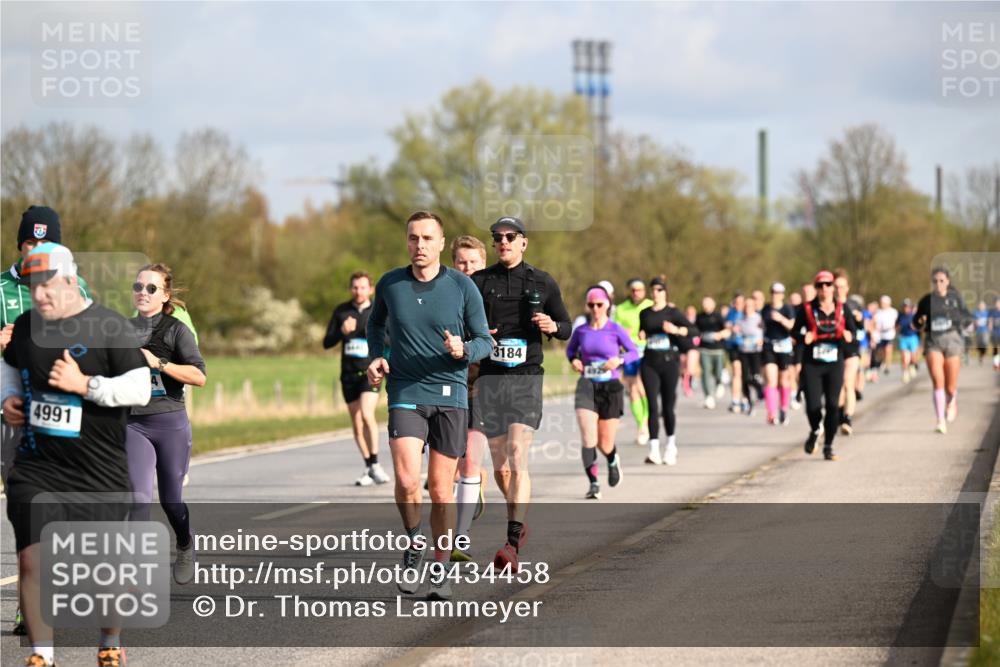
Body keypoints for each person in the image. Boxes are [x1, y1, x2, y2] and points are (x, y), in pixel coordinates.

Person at [1, 242, 151, 667]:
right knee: (32, 560)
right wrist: (8, 400)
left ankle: (109, 640)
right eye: (32, 288)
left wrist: (84, 385)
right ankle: (42, 656)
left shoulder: (109, 327)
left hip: (98, 470)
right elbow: (9, 367)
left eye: (46, 286)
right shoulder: (27, 326)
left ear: (69, 281)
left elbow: (139, 389)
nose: (39, 296)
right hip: (37, 466)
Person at [365, 211, 492, 601]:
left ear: (441, 243)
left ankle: (439, 565)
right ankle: (414, 541)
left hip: (451, 395)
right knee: (406, 481)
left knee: (440, 489)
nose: (419, 246)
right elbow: (375, 325)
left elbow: (484, 341)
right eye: (413, 238)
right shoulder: (391, 283)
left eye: (427, 239)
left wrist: (464, 349)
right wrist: (376, 356)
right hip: (405, 390)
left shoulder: (461, 286)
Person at [0, 206, 92, 639]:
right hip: (12, 410)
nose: (36, 250)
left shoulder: (76, 286)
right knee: (23, 508)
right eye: (29, 243)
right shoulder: (0, 288)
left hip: (62, 409)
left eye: (45, 243)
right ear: (19, 244)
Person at [470, 216, 571, 571]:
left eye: (510, 236)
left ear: (524, 242)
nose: (503, 242)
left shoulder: (542, 282)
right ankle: (519, 520)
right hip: (492, 379)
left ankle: (511, 543)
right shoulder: (479, 283)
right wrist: (479, 335)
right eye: (497, 238)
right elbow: (462, 324)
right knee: (500, 467)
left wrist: (552, 325)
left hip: (526, 377)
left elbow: (567, 326)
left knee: (517, 452)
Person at [126, 264, 206, 586]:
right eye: (137, 287)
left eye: (151, 288)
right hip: (133, 423)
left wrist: (158, 363)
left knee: (171, 501)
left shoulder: (176, 330)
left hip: (170, 422)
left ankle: (185, 543)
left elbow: (199, 377)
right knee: (138, 498)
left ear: (165, 295)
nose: (142, 293)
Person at [566, 285, 638, 498]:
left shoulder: (615, 329)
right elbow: (571, 351)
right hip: (587, 386)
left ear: (607, 305)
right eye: (591, 304)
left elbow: (633, 352)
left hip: (611, 388)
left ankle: (613, 459)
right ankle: (594, 483)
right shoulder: (581, 331)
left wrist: (619, 359)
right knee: (588, 437)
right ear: (587, 306)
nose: (595, 308)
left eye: (599, 304)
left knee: (604, 442)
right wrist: (575, 361)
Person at [323, 271, 390, 487]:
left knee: (366, 413)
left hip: (370, 373)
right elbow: (326, 342)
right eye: (355, 287)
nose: (358, 291)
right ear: (350, 289)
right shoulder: (342, 311)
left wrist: (368, 334)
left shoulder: (378, 311)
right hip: (348, 374)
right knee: (356, 421)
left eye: (362, 287)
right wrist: (342, 331)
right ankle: (369, 466)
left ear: (370, 289)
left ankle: (377, 463)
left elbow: (390, 337)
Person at [450, 235, 489, 561]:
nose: (468, 268)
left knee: (469, 461)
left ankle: (459, 539)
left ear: (483, 264)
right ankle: (470, 490)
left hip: (481, 387)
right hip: (445, 385)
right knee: (447, 463)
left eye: (473, 262)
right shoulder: (444, 295)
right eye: (462, 262)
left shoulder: (492, 299)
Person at [792, 270, 857, 460]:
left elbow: (854, 333)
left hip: (834, 362)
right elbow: (794, 333)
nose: (825, 289)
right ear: (816, 289)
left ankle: (828, 445)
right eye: (820, 285)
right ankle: (815, 429)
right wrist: (804, 336)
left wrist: (848, 336)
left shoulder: (843, 309)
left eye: (828, 285)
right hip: (812, 363)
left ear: (832, 287)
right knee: (813, 406)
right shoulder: (806, 309)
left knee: (832, 405)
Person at [637, 276, 696, 465]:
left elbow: (694, 331)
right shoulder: (645, 313)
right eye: (653, 289)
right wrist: (642, 334)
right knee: (652, 406)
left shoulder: (673, 312)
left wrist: (676, 330)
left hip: (669, 362)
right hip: (649, 362)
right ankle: (653, 449)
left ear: (665, 292)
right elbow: (643, 330)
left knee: (668, 406)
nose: (656, 293)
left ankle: (671, 445)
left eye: (660, 289)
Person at [913, 268, 973, 434]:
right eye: (935, 281)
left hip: (953, 340)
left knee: (950, 386)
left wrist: (963, 321)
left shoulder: (955, 298)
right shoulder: (926, 300)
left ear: (947, 281)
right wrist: (920, 321)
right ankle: (940, 420)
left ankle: (952, 400)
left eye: (941, 280)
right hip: (933, 341)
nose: (938, 284)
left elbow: (967, 316)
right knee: (938, 381)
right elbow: (915, 322)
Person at [612, 278, 653, 445]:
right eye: (633, 290)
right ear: (630, 291)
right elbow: (614, 331)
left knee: (644, 388)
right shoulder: (621, 309)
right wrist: (624, 335)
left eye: (640, 290)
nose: (636, 293)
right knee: (634, 389)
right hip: (630, 353)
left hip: (648, 351)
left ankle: (647, 422)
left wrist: (648, 333)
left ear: (644, 291)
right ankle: (642, 426)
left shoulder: (650, 305)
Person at [760, 283, 796, 425]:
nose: (776, 295)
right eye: (774, 292)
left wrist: (781, 319)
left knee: (784, 380)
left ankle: (784, 409)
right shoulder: (766, 309)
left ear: (783, 294)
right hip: (769, 345)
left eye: (779, 292)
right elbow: (762, 324)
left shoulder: (788, 308)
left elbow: (792, 326)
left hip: (784, 346)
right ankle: (771, 412)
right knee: (771, 380)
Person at [833, 269, 863, 435]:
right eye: (836, 286)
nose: (839, 290)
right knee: (837, 386)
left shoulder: (853, 306)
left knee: (848, 383)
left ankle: (847, 418)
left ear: (848, 288)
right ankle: (838, 413)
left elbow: (862, 329)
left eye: (842, 286)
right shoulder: (827, 304)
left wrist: (859, 319)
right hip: (833, 349)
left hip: (851, 349)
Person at [696, 296, 729, 409]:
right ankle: (708, 396)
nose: (706, 306)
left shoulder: (718, 316)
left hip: (718, 349)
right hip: (704, 349)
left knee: (718, 371)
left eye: (708, 304)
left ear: (713, 305)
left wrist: (720, 335)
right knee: (705, 372)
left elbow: (727, 330)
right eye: (704, 304)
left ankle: (719, 382)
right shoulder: (699, 317)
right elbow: (695, 330)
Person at [736, 295, 764, 417]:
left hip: (755, 351)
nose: (747, 308)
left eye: (750, 306)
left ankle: (760, 391)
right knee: (744, 379)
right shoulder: (740, 319)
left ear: (754, 307)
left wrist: (760, 340)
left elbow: (763, 332)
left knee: (755, 377)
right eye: (746, 306)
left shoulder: (758, 318)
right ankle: (749, 403)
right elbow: (737, 334)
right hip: (744, 351)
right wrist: (735, 333)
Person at [724, 292, 746, 413]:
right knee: (736, 372)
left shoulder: (748, 312)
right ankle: (735, 400)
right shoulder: (731, 312)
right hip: (734, 346)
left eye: (741, 302)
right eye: (736, 302)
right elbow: (726, 324)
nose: (739, 305)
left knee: (744, 374)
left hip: (747, 348)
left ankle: (745, 398)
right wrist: (730, 327)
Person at [873, 295, 899, 376]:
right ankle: (883, 362)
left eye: (884, 303)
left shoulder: (893, 311)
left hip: (889, 334)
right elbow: (874, 322)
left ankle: (887, 366)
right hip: (880, 334)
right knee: (881, 351)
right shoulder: (878, 312)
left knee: (888, 350)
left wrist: (895, 329)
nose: (882, 304)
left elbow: (897, 322)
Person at [897, 298, 921, 382]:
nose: (905, 308)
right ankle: (905, 373)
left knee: (913, 357)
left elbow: (920, 326)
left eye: (907, 307)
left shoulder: (914, 315)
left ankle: (912, 365)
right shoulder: (900, 315)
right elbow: (896, 326)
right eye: (904, 307)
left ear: (910, 307)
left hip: (912, 338)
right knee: (904, 357)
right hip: (903, 338)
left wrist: (915, 327)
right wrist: (897, 327)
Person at [973, 300, 991, 366]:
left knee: (985, 343)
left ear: (985, 306)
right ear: (978, 306)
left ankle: (983, 355)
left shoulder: (987, 313)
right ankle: (981, 356)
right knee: (979, 345)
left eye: (982, 305)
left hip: (985, 331)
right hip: (978, 331)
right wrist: (975, 323)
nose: (981, 306)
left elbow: (990, 320)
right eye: (980, 305)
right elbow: (973, 322)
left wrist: (990, 325)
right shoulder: (976, 313)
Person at [991, 297, 1000, 371]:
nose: (998, 304)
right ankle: (996, 363)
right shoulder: (993, 312)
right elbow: (990, 321)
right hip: (995, 333)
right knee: (996, 348)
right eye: (997, 303)